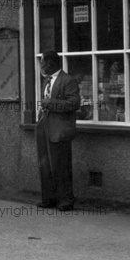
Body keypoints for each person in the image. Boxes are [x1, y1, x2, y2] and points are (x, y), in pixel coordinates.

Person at [36, 50, 80, 211]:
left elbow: (74, 104)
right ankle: (49, 199)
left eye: (42, 63)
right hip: (44, 128)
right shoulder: (47, 80)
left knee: (61, 167)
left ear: (51, 64)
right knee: (45, 166)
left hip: (60, 131)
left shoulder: (68, 81)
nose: (41, 66)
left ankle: (65, 201)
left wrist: (50, 103)